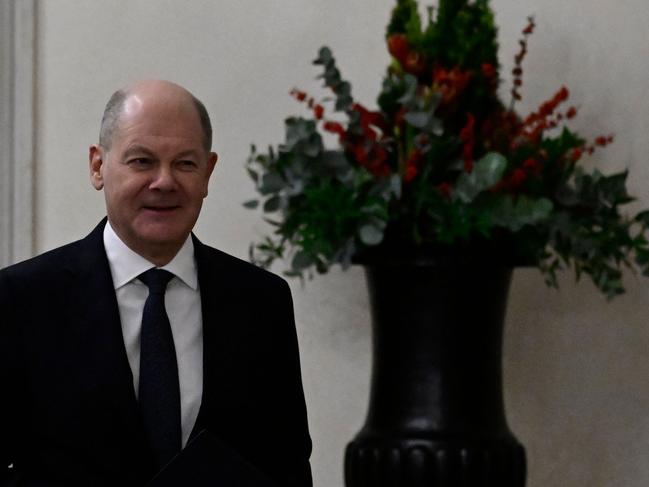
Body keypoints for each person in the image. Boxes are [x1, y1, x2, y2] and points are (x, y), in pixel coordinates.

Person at [0, 80, 312, 486]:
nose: (164, 182)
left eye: (185, 163)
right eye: (142, 161)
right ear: (97, 166)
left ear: (208, 173)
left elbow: (285, 466)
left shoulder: (260, 301)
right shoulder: (23, 298)